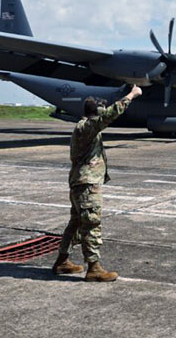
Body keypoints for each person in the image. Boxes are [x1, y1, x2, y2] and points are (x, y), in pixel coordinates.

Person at [52, 84, 142, 282]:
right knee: (92, 224)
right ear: (97, 112)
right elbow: (109, 115)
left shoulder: (86, 128)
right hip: (86, 185)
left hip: (81, 183)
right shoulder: (87, 127)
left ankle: (62, 262)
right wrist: (132, 95)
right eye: (103, 109)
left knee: (75, 224)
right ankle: (94, 268)